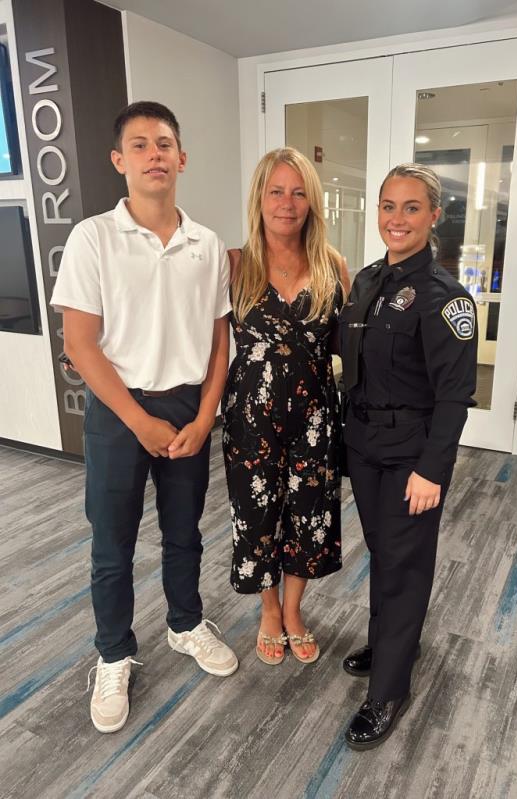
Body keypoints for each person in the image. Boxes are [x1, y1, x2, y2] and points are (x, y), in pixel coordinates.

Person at [50, 101, 238, 734]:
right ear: (119, 161)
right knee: (113, 544)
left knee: (185, 532)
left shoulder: (206, 244)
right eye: (140, 145)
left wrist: (207, 413)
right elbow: (80, 343)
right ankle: (113, 653)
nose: (154, 154)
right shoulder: (93, 237)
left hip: (188, 407)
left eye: (164, 144)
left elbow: (220, 340)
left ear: (181, 157)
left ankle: (185, 624)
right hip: (117, 412)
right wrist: (138, 420)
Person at [339, 163, 477, 749]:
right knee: (385, 555)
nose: (397, 219)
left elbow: (454, 397)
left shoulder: (446, 299)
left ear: (433, 216)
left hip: (410, 457)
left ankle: (390, 689)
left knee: (405, 564)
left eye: (411, 207)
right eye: (388, 206)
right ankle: (393, 638)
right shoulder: (367, 279)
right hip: (366, 448)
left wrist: (431, 470)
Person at [222, 147, 350, 665]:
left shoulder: (332, 266)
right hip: (250, 419)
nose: (287, 203)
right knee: (256, 518)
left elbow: (354, 348)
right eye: (276, 191)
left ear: (312, 202)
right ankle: (268, 610)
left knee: (310, 516)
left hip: (316, 420)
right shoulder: (235, 265)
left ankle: (294, 609)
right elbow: (210, 348)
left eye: (298, 192)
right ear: (260, 198)